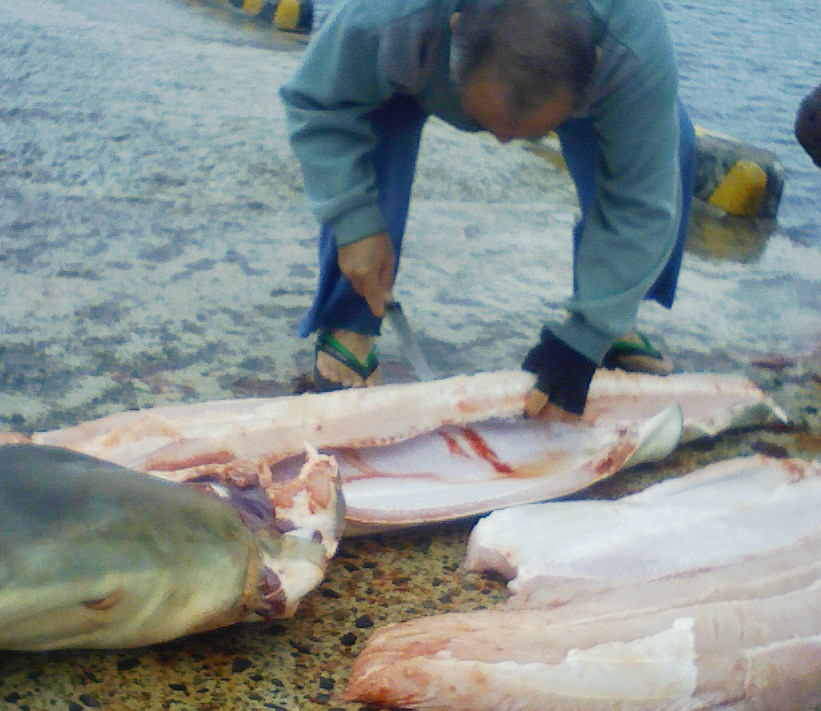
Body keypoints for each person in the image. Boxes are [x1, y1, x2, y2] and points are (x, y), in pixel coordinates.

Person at [280, 0, 696, 416]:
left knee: (667, 145)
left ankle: (612, 318)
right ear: (457, 29)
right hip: (421, 58)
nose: (501, 140)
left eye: (523, 130)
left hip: (589, 81)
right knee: (371, 111)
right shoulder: (389, 17)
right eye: (496, 123)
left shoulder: (632, 45)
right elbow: (320, 102)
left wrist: (587, 337)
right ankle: (349, 320)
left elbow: (642, 201)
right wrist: (353, 220)